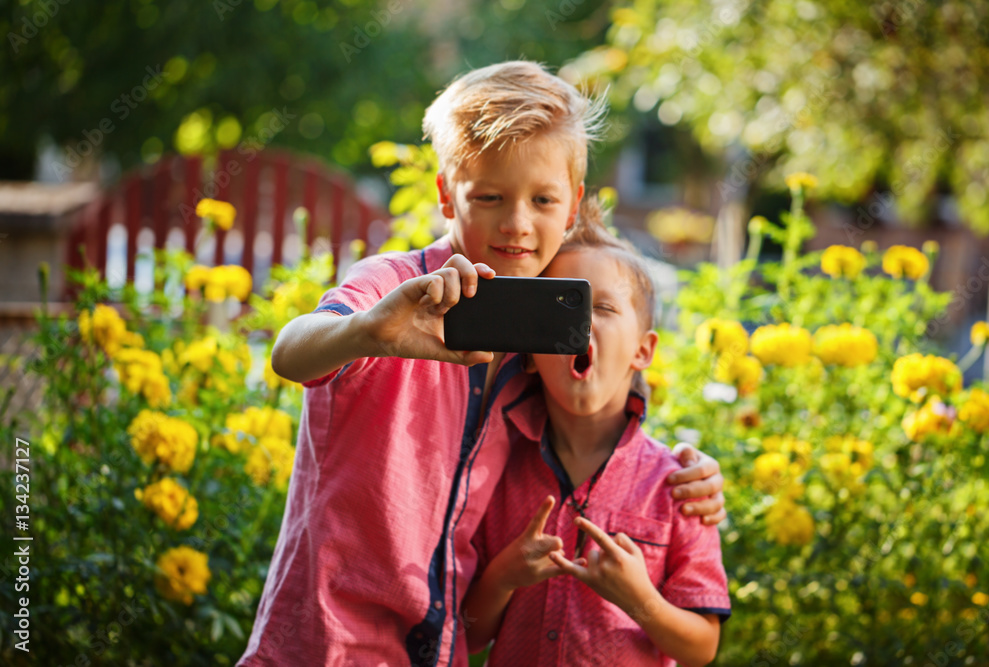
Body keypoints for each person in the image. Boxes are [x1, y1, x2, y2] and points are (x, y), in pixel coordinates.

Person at [237, 61, 726, 667]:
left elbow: (601, 407)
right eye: (489, 197)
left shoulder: (537, 333)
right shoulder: (394, 286)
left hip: (439, 649)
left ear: (572, 204)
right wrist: (369, 332)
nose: (517, 223)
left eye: (542, 199)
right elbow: (291, 351)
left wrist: (687, 465)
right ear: (446, 192)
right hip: (328, 641)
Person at [464, 197, 731, 666]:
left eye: (602, 306)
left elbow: (701, 647)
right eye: (560, 310)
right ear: (529, 352)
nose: (580, 321)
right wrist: (501, 577)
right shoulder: (496, 472)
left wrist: (639, 600)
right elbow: (467, 637)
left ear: (643, 351)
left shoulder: (679, 487)